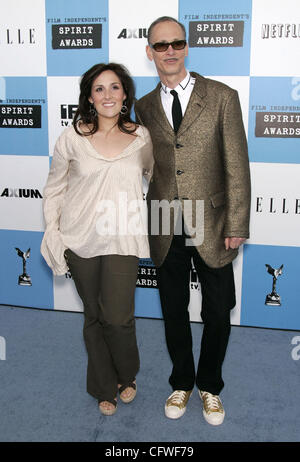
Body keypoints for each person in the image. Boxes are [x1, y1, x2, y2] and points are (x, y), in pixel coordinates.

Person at [135, 17, 251, 425]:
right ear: (149, 51)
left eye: (177, 43)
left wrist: (237, 222)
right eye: (160, 45)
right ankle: (181, 381)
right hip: (165, 221)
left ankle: (210, 386)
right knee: (173, 309)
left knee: (219, 311)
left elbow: (237, 165)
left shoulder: (222, 96)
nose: (169, 51)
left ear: (186, 48)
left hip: (213, 222)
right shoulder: (144, 105)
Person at [41, 63, 153, 416]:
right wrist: (53, 234)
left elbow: (154, 174)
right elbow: (55, 189)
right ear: (89, 96)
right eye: (99, 88)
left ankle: (127, 375)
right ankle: (103, 386)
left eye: (114, 87)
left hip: (123, 236)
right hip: (80, 237)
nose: (107, 95)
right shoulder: (71, 138)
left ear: (125, 95)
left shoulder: (141, 137)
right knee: (94, 315)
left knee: (118, 316)